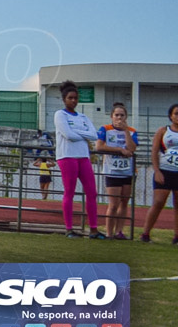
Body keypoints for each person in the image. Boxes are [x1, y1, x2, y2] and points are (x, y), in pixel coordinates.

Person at [53, 80, 105, 239]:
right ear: (64, 99)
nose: (74, 101)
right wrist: (81, 133)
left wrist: (76, 132)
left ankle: (94, 229)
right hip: (67, 156)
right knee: (69, 192)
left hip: (83, 156)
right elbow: (68, 135)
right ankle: (69, 229)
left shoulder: (83, 117)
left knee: (92, 192)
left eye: (76, 98)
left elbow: (94, 135)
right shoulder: (60, 114)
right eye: (70, 98)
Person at [96, 102, 138, 239]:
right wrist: (119, 150)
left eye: (122, 115)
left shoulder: (132, 131)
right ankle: (109, 232)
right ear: (112, 116)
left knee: (124, 202)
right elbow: (100, 147)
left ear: (126, 117)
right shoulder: (105, 129)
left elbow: (132, 148)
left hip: (127, 170)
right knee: (113, 204)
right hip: (112, 170)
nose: (119, 118)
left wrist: (125, 131)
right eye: (117, 115)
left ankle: (120, 231)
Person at [140, 103, 178, 244]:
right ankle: (145, 233)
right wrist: (156, 170)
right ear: (170, 116)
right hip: (165, 171)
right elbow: (154, 151)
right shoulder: (163, 131)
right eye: (176, 113)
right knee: (158, 202)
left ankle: (176, 236)